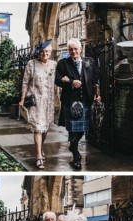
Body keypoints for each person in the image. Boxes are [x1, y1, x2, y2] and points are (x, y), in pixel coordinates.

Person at [55, 38, 101, 170]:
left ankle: (72, 145)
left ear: (80, 49)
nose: (73, 51)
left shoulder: (90, 62)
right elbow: (57, 80)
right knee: (72, 129)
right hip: (70, 101)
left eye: (75, 49)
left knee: (82, 129)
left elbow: (95, 79)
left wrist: (97, 94)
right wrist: (70, 83)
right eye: (70, 49)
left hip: (86, 99)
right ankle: (76, 156)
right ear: (68, 50)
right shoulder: (63, 63)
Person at [20, 40, 57, 170]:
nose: (44, 53)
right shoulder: (32, 64)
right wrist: (22, 99)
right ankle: (38, 157)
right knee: (37, 128)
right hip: (35, 101)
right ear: (38, 52)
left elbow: (59, 80)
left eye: (47, 51)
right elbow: (25, 82)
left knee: (45, 128)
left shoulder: (54, 65)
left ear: (50, 53)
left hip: (48, 101)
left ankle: (40, 148)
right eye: (42, 51)